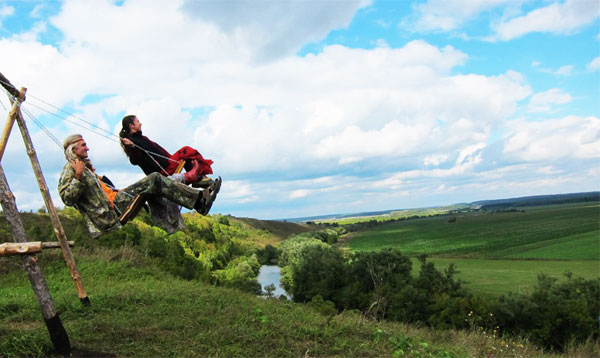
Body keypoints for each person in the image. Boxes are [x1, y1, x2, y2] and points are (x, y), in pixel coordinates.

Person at [58, 134, 220, 238]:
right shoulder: (71, 169)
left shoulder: (85, 168)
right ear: (74, 148)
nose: (88, 148)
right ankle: (198, 200)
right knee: (155, 179)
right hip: (110, 213)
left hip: (116, 201)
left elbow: (103, 191)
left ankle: (174, 221)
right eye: (84, 145)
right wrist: (78, 177)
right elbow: (67, 198)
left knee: (156, 186)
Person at [119, 115, 214, 187]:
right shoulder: (133, 142)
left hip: (167, 163)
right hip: (163, 171)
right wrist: (132, 146)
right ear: (131, 125)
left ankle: (198, 179)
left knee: (187, 154)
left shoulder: (140, 138)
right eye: (138, 122)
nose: (140, 123)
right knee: (187, 150)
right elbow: (134, 160)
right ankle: (199, 178)